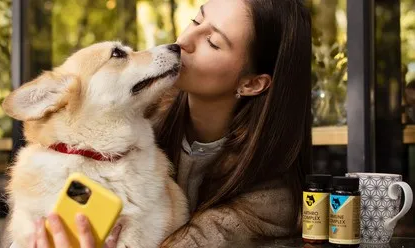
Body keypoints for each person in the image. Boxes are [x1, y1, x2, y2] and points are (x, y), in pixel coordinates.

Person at [30, 0, 312, 247]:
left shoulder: (268, 201)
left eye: (213, 42)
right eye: (196, 20)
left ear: (251, 83)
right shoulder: (127, 121)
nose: (185, 40)